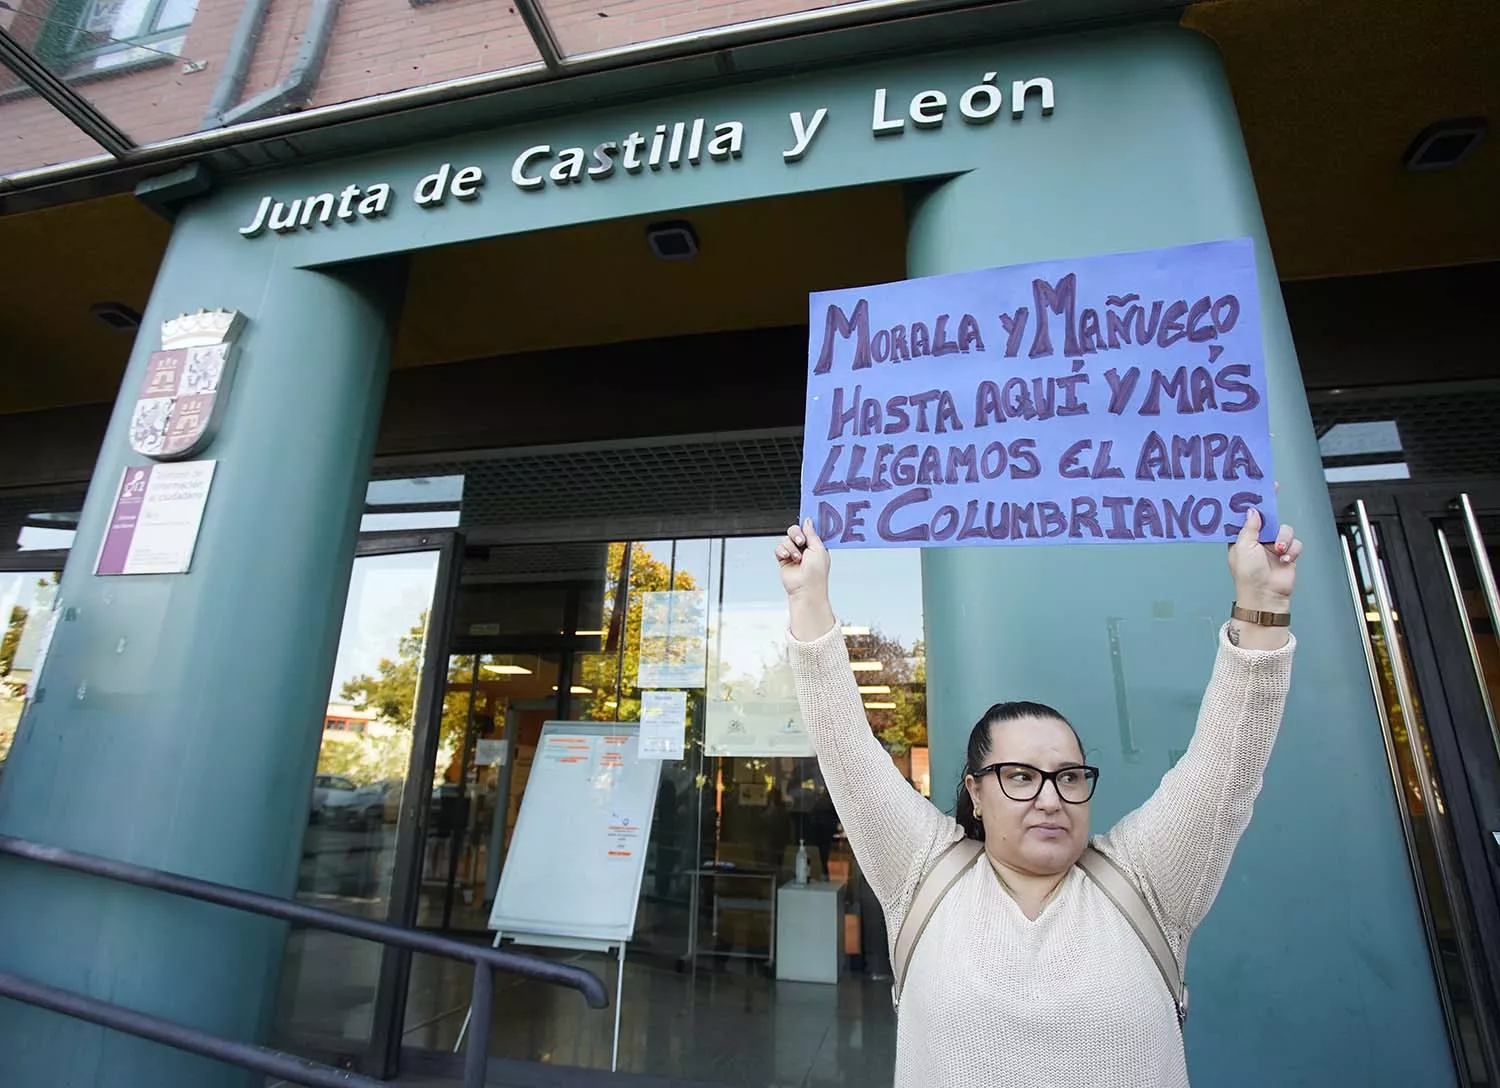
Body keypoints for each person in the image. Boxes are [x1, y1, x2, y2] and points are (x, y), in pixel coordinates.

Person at [775, 508, 1301, 1088]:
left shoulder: (1146, 881)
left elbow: (1227, 764)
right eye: (1020, 777)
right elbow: (846, 750)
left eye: (1069, 777)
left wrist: (1262, 603)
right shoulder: (922, 875)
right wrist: (808, 599)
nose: (1051, 799)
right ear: (975, 793)